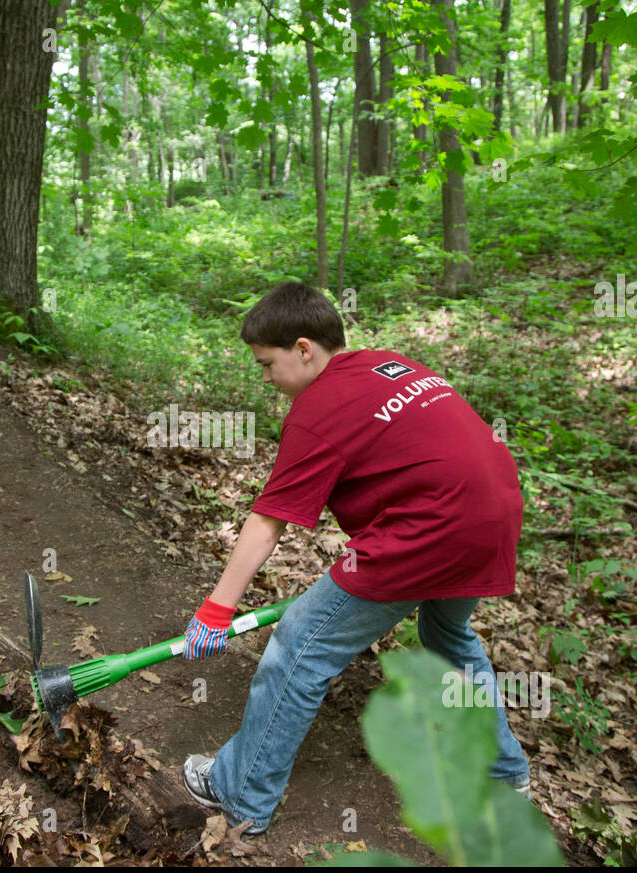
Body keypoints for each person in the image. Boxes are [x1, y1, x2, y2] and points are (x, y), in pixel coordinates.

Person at [179, 281, 532, 836]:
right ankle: (503, 771)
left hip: (432, 528)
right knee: (450, 636)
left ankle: (240, 793)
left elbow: (268, 520)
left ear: (303, 349)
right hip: (495, 510)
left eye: (267, 365)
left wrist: (217, 608)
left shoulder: (317, 410)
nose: (265, 379)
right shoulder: (387, 363)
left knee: (300, 645)